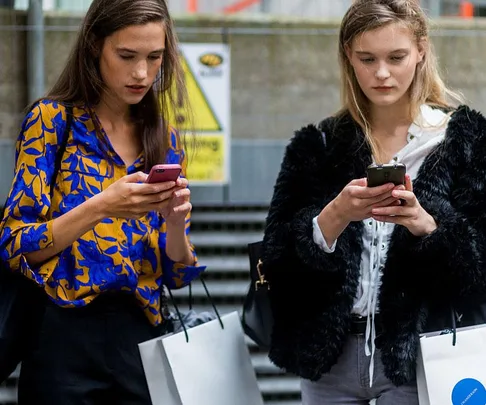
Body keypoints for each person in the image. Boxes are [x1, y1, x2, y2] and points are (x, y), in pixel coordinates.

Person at [261, 0, 486, 404]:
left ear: (420, 50)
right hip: (329, 358)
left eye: (396, 57)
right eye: (367, 59)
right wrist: (334, 216)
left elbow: (479, 267)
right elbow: (277, 263)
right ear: (348, 55)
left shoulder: (465, 141)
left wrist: (427, 226)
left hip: (422, 353)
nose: (381, 73)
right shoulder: (319, 144)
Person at [0, 0, 205, 404]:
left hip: (141, 339)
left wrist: (178, 224)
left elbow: (176, 274)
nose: (142, 73)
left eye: (154, 57)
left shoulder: (163, 138)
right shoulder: (53, 121)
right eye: (127, 56)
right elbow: (14, 243)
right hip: (63, 336)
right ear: (95, 45)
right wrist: (102, 205)